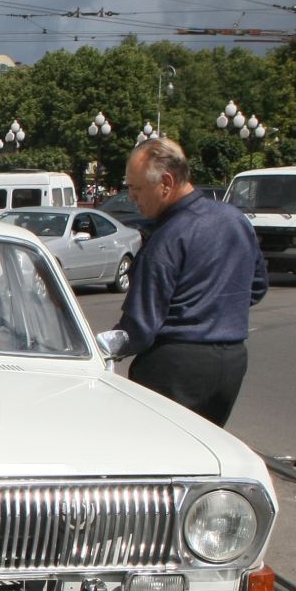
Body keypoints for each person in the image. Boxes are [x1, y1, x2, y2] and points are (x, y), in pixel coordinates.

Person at [106, 137, 266, 427]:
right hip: (230, 363)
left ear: (166, 183)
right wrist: (215, 308)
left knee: (160, 454)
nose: (131, 196)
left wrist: (98, 348)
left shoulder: (167, 239)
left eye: (136, 187)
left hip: (174, 367)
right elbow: (256, 287)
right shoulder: (235, 220)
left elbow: (140, 326)